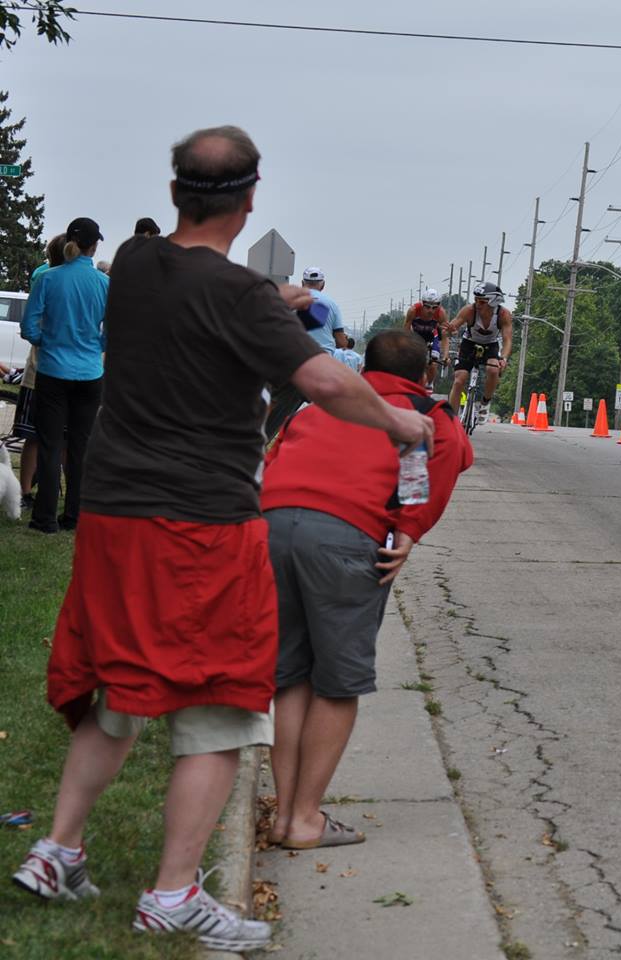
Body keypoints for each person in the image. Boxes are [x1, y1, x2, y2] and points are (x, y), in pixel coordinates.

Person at [11, 126, 433, 953]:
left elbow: (203, 286)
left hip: (114, 515)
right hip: (200, 525)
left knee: (121, 686)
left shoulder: (137, 265)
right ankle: (171, 894)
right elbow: (321, 379)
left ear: (175, 194)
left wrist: (274, 300)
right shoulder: (240, 298)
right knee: (221, 709)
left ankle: (56, 849)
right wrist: (399, 421)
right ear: (251, 198)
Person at [261, 328, 473, 849]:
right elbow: (447, 458)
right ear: (426, 374)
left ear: (362, 368)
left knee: (289, 675)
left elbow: (274, 457)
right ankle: (304, 820)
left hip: (270, 529)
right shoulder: (426, 414)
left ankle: (284, 814)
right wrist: (409, 531)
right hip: (344, 536)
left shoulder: (318, 404)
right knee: (337, 682)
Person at [20, 219, 109, 533]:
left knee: (50, 444)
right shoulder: (104, 283)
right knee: (80, 445)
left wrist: (47, 342)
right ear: (94, 246)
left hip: (53, 370)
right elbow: (114, 331)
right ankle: (74, 516)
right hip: (90, 373)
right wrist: (95, 347)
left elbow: (28, 327)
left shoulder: (48, 278)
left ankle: (44, 518)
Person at [14, 234, 67, 509]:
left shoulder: (42, 277)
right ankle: (73, 498)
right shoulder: (48, 279)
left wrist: (44, 341)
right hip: (66, 372)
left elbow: (29, 327)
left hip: (39, 369)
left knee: (33, 438)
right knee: (66, 439)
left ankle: (25, 493)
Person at [264, 266, 347, 441]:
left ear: (303, 283)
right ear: (322, 285)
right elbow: (341, 342)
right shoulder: (331, 304)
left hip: (290, 362)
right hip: (321, 366)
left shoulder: (290, 301)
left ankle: (259, 441)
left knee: (276, 409)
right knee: (327, 412)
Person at [445, 281, 513, 424]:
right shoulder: (469, 311)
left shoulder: (503, 314)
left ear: (493, 302)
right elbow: (453, 326)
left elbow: (507, 340)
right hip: (469, 343)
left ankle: (485, 403)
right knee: (459, 379)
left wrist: (504, 358)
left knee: (493, 369)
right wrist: (450, 330)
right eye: (475, 300)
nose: (477, 304)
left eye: (482, 302)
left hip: (491, 345)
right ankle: (451, 419)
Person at [404, 288, 450, 390]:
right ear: (422, 304)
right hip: (416, 336)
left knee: (433, 362)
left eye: (434, 307)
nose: (431, 311)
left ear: (438, 306)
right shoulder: (413, 310)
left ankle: (429, 385)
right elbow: (405, 331)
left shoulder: (441, 313)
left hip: (432, 337)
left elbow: (445, 337)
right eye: (427, 307)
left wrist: (446, 356)